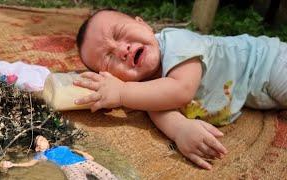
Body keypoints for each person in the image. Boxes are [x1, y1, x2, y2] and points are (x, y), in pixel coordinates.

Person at [73, 9, 287, 170]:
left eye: (120, 33)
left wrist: (121, 93)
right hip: (255, 92)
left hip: (266, 61)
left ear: (144, 25)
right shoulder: (143, 89)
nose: (122, 49)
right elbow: (159, 105)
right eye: (109, 58)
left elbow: (180, 90)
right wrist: (181, 129)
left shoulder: (178, 42)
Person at [1, 136, 117, 180]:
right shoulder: (42, 154)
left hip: (83, 161)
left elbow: (72, 150)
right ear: (37, 148)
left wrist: (83, 153)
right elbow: (30, 163)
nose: (44, 139)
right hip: (69, 167)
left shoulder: (60, 147)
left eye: (43, 138)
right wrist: (14, 164)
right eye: (40, 140)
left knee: (108, 175)